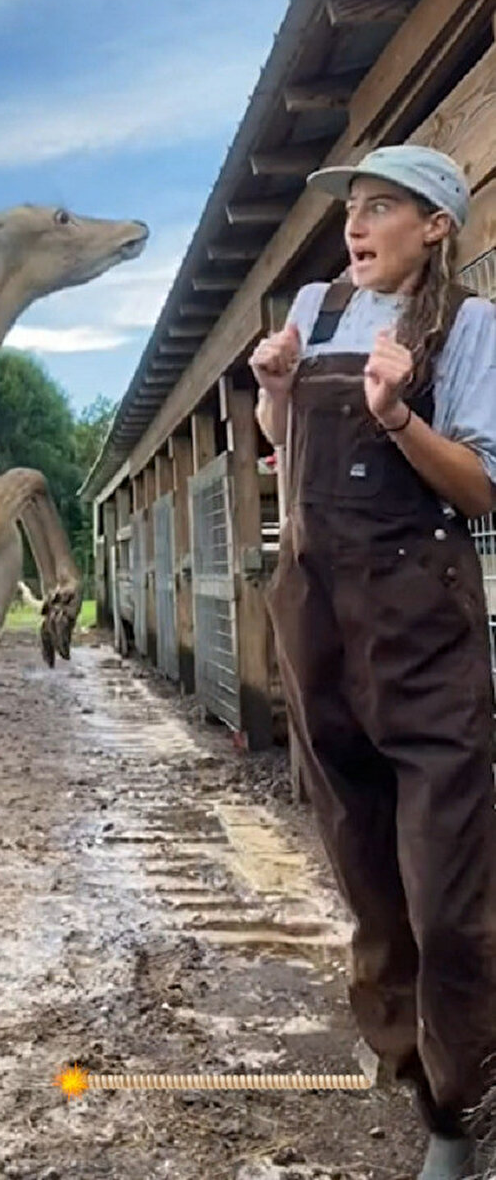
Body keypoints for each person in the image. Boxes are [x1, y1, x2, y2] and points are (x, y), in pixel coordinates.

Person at [250, 145, 496, 1180]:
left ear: (435, 227)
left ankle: (459, 1105)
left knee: (446, 891)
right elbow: (285, 454)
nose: (355, 224)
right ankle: (415, 1071)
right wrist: (274, 394)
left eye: (383, 206)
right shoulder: (316, 308)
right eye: (352, 207)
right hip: (317, 621)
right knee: (364, 870)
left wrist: (397, 415)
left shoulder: (469, 326)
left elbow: (481, 488)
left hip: (421, 624)